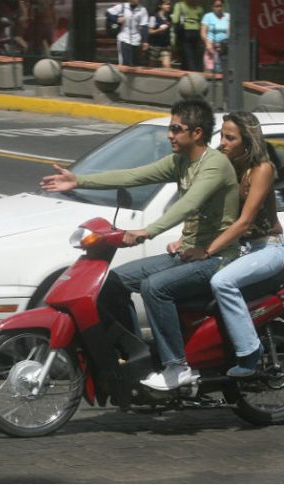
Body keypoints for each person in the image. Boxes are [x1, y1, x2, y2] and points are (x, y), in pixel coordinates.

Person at [40, 98, 239, 391]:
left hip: (217, 257)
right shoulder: (181, 162)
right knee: (113, 281)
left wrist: (147, 231)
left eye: (176, 129)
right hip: (188, 254)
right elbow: (134, 175)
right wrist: (79, 180)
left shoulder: (214, 165)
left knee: (155, 287)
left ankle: (177, 366)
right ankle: (139, 357)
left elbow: (188, 204)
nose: (169, 135)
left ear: (197, 133)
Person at [182, 112, 284, 377]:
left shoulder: (262, 169)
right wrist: (183, 241)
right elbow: (206, 209)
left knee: (222, 282)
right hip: (240, 249)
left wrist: (207, 250)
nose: (223, 142)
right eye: (221, 136)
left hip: (267, 248)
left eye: (230, 138)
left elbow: (244, 221)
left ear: (247, 142)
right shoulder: (226, 165)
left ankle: (250, 351)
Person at [106, 0, 149, 67]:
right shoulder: (122, 7)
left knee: (134, 64)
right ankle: (122, 76)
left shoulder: (142, 10)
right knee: (124, 64)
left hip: (136, 40)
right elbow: (108, 13)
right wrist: (116, 19)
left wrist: (145, 41)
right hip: (124, 38)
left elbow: (144, 26)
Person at [171, 0, 203, 71]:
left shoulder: (179, 5)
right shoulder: (199, 7)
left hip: (185, 32)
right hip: (196, 32)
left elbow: (175, 20)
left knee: (187, 56)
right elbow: (201, 21)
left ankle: (192, 74)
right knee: (194, 55)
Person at [200, 0, 229, 75]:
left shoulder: (228, 16)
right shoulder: (207, 16)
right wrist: (207, 43)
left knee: (223, 71)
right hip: (211, 46)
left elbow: (230, 31)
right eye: (216, 6)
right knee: (210, 71)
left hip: (224, 47)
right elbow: (203, 32)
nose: (219, 8)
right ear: (212, 7)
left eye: (220, 6)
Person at [146, 0, 172, 68]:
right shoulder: (154, 17)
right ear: (160, 6)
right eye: (166, 4)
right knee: (152, 66)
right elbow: (150, 31)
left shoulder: (169, 18)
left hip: (165, 46)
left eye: (169, 4)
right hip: (155, 46)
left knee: (167, 66)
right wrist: (159, 30)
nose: (169, 6)